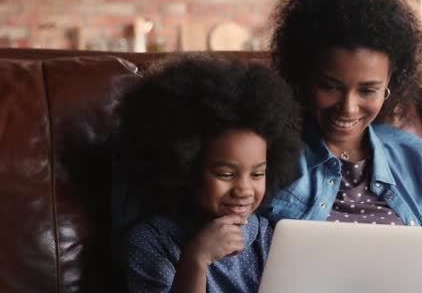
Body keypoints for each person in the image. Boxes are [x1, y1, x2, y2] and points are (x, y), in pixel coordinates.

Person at [260, 0, 422, 292]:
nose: (348, 108)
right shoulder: (266, 159)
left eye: (367, 90)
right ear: (304, 77)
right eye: (330, 86)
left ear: (390, 87)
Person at [117, 54, 302, 293]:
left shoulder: (269, 238)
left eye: (257, 175)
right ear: (183, 168)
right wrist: (196, 260)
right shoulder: (150, 240)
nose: (244, 189)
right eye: (225, 174)